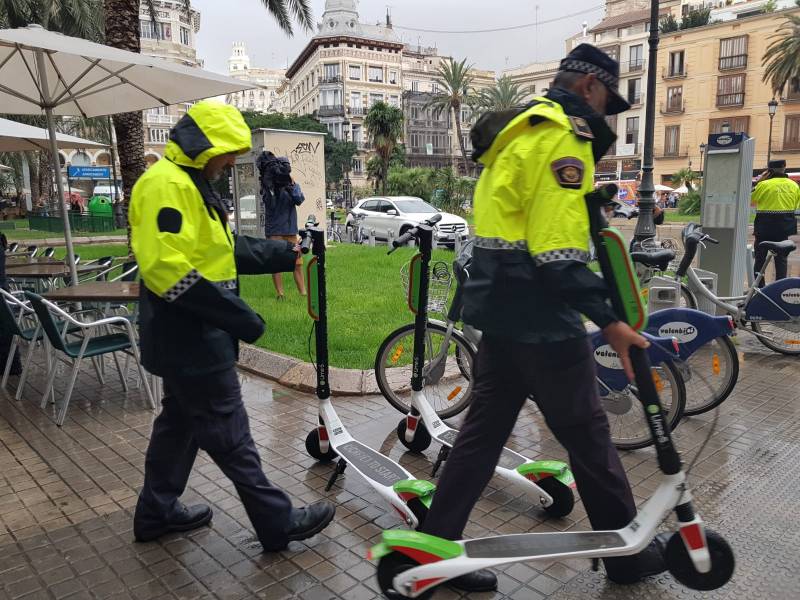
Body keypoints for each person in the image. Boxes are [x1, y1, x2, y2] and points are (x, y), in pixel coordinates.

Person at [419, 44, 669, 593]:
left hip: (502, 315)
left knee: (482, 435)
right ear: (588, 88)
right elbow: (556, 255)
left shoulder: (520, 134)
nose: (606, 116)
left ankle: (434, 549)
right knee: (588, 437)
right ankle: (625, 554)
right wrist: (611, 320)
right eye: (607, 102)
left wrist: (588, 201)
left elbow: (523, 223)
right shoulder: (561, 138)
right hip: (542, 320)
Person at [129, 101, 335, 552]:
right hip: (193, 340)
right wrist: (238, 317)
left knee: (178, 427)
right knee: (230, 433)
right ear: (203, 148)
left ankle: (156, 512)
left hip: (190, 337)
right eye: (226, 153)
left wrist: (286, 254)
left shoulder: (190, 183)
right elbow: (168, 269)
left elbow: (221, 250)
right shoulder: (165, 186)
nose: (229, 163)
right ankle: (276, 522)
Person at [259, 152, 307, 300]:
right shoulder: (268, 185)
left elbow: (299, 200)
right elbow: (270, 203)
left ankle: (303, 293)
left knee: (297, 262)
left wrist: (291, 185)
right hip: (274, 230)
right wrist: (272, 187)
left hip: (290, 229)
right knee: (276, 264)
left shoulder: (291, 184)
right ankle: (280, 294)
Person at [751, 159, 800, 285]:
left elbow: (752, 200)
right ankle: (779, 288)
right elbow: (795, 206)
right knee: (781, 260)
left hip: (764, 228)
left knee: (760, 260)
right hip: (784, 229)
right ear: (784, 168)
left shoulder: (764, 185)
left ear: (769, 170)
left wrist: (759, 181)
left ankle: (760, 288)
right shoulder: (794, 185)